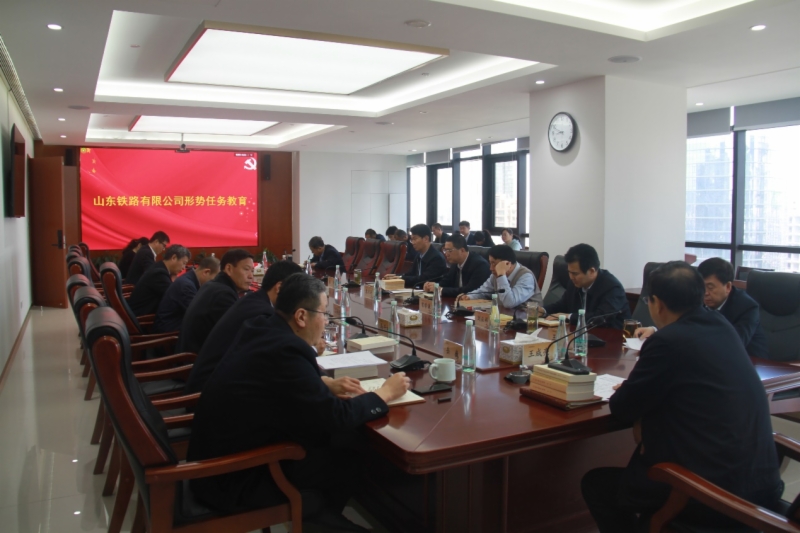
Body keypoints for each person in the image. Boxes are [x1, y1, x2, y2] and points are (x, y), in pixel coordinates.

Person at [186, 273, 411, 531]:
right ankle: (316, 518)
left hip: (217, 462)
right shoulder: (286, 350)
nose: (326, 321)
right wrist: (384, 394)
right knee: (347, 447)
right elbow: (335, 417)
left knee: (339, 444)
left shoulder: (262, 327)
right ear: (302, 316)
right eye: (324, 313)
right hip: (233, 478)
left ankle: (318, 517)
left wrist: (321, 382)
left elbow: (277, 381)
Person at [581, 262, 782, 532]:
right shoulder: (721, 326)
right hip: (762, 488)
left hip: (710, 495)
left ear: (658, 305)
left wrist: (632, 393)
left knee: (598, 485)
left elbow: (622, 407)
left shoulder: (667, 342)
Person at [186, 260, 302, 394]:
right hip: (209, 393)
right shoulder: (262, 315)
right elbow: (276, 362)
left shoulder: (253, 300)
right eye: (299, 293)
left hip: (210, 382)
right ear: (279, 288)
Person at [635, 257, 768, 358]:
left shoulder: (747, 307)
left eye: (710, 287)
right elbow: (684, 324)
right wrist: (655, 330)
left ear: (728, 286)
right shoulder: (698, 299)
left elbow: (734, 344)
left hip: (754, 365)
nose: (705, 293)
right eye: (702, 287)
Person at [178, 249, 254, 354]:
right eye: (246, 269)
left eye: (252, 271)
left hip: (192, 353)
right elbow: (238, 334)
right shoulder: (223, 294)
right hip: (195, 359)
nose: (251, 276)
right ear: (229, 269)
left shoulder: (213, 285)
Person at [542, 243, 630, 329]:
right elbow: (562, 305)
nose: (571, 277)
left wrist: (568, 317)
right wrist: (543, 310)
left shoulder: (612, 288)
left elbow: (600, 318)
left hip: (611, 335)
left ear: (591, 271)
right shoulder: (574, 283)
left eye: (575, 273)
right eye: (569, 272)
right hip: (581, 334)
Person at [459, 244, 542, 309]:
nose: (491, 268)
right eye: (490, 263)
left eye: (494, 264)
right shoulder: (495, 275)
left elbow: (509, 303)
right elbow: (483, 291)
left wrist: (501, 275)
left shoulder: (526, 277)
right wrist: (469, 296)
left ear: (507, 264)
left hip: (528, 320)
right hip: (504, 317)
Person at [153, 255, 220, 334]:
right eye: (214, 279)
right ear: (206, 272)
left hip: (173, 323)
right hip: (169, 331)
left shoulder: (190, 279)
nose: (214, 283)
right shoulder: (186, 286)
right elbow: (197, 315)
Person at [126, 245, 191, 316]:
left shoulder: (159, 267)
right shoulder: (159, 274)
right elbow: (174, 298)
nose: (183, 268)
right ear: (174, 258)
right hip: (141, 317)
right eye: (184, 263)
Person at [424, 234, 490, 298]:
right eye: (445, 250)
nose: (446, 254)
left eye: (449, 250)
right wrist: (433, 286)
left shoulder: (480, 265)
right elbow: (447, 281)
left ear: (462, 250)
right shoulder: (455, 262)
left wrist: (441, 290)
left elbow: (470, 290)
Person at [384, 224, 447, 289]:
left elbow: (423, 279)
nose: (412, 242)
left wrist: (400, 278)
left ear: (426, 239)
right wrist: (396, 277)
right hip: (417, 290)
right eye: (411, 239)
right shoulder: (419, 255)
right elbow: (411, 273)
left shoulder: (437, 258)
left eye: (415, 239)